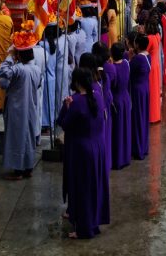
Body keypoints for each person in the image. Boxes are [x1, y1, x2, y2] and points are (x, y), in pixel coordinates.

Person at [58, 66, 109, 239]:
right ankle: (93, 221)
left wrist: (66, 106)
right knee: (94, 186)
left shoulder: (77, 101)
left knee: (82, 189)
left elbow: (63, 123)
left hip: (81, 150)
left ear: (77, 82)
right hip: (97, 146)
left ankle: (84, 228)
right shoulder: (98, 96)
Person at [0, 24, 44, 179]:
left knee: (16, 137)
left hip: (17, 108)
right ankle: (28, 167)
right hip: (30, 106)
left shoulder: (18, 69)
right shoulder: (36, 69)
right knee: (29, 136)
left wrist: (9, 56)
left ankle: (18, 170)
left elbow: (2, 71)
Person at [109, 42, 132, 169]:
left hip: (117, 99)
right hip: (125, 98)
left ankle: (117, 159)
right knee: (125, 128)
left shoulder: (112, 68)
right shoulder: (126, 64)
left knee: (117, 130)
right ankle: (125, 157)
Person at [129, 34, 151, 160]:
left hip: (137, 91)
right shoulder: (148, 56)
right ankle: (144, 147)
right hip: (145, 89)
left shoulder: (138, 59)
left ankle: (138, 149)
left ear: (137, 45)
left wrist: (130, 57)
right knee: (143, 118)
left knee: (138, 119)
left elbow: (129, 70)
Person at [145, 16, 162, 123]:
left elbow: (143, 50)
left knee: (151, 90)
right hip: (156, 64)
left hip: (151, 65)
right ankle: (156, 115)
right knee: (155, 90)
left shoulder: (150, 38)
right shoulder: (157, 35)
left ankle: (151, 116)